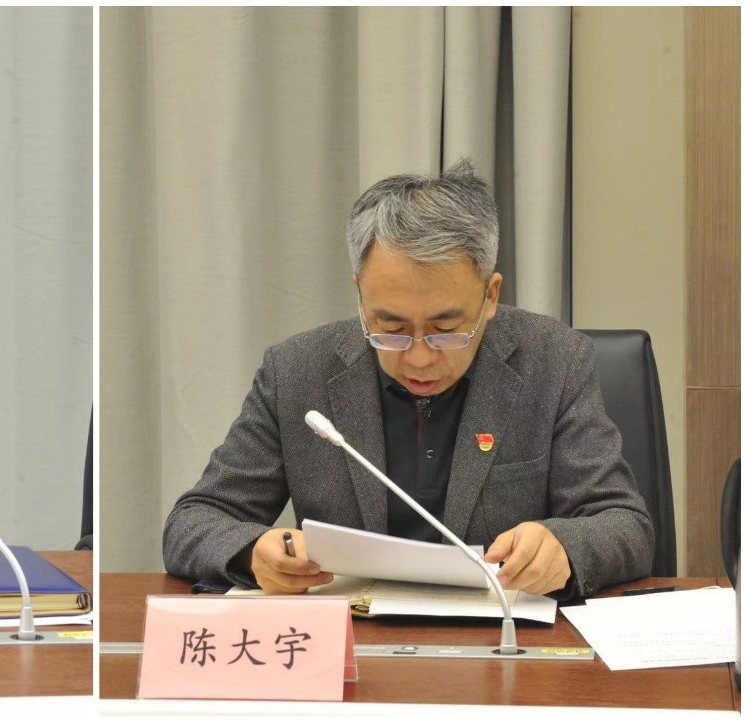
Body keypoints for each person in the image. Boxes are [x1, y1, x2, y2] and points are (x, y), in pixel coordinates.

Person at [162, 160, 653, 600]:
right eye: (391, 328)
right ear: (360, 295)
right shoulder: (297, 372)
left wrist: (563, 546)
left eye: (445, 330)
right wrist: (253, 551)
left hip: (499, 644)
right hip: (353, 645)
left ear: (490, 295)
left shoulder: (553, 362)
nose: (418, 358)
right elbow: (193, 521)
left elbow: (625, 525)